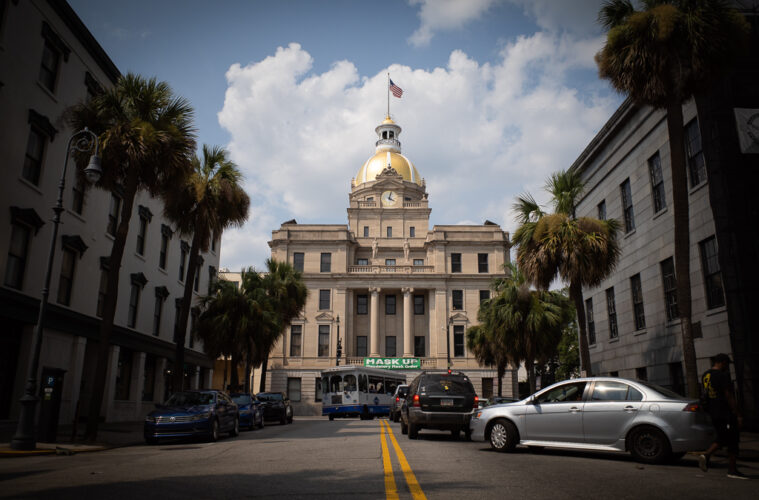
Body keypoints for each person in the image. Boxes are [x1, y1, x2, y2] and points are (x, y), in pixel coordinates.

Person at [698, 353, 746, 479]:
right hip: (725, 413)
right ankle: (731, 469)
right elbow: (729, 395)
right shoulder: (722, 376)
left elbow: (705, 395)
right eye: (726, 364)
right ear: (722, 362)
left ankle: (709, 456)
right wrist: (738, 414)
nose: (727, 367)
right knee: (733, 439)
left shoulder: (705, 375)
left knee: (723, 436)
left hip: (714, 412)